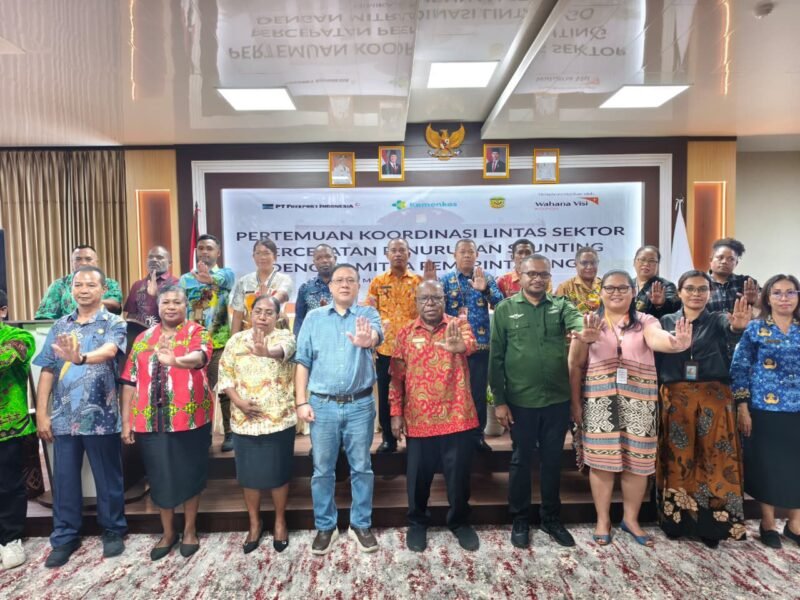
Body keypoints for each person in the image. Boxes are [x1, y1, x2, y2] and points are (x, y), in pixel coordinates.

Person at [568, 269, 691, 547]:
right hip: (599, 401)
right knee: (601, 463)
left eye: (622, 288)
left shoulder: (645, 320)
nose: (616, 293)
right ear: (601, 292)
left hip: (640, 401)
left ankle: (630, 519)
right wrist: (575, 402)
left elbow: (657, 338)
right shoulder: (589, 321)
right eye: (610, 288)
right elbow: (574, 365)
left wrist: (675, 344)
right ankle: (603, 519)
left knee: (637, 464)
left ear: (633, 292)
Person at [490, 255, 591, 549]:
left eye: (542, 274)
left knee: (551, 462)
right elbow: (496, 359)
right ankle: (520, 518)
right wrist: (499, 401)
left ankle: (551, 519)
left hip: (556, 400)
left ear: (549, 277)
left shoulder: (561, 306)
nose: (537, 279)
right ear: (519, 275)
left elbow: (577, 323)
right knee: (521, 461)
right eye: (531, 274)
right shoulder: (505, 309)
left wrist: (584, 332)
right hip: (520, 402)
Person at [34, 266, 128, 568]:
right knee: (64, 481)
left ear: (103, 290)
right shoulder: (61, 325)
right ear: (71, 290)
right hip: (63, 418)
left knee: (108, 478)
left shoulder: (114, 321)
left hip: (102, 416)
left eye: (90, 284)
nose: (83, 289)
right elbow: (47, 370)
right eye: (78, 284)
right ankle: (64, 536)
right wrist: (42, 413)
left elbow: (111, 351)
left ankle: (113, 529)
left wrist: (81, 358)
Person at [655, 270, 750, 548]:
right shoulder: (667, 321)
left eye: (702, 289)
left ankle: (713, 526)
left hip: (713, 398)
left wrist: (739, 328)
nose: (696, 294)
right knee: (678, 459)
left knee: (714, 460)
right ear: (680, 292)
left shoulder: (721, 319)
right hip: (676, 397)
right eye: (690, 289)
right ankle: (677, 520)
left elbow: (733, 334)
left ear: (709, 293)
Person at [294, 263, 383, 555]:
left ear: (358, 286)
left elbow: (376, 337)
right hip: (322, 405)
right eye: (339, 280)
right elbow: (302, 361)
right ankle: (325, 526)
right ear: (330, 287)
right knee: (322, 470)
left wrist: (367, 341)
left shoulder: (367, 314)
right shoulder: (314, 318)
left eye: (351, 280)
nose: (345, 285)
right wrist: (301, 402)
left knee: (362, 468)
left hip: (359, 405)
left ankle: (361, 524)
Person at [120, 286, 213, 561]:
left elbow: (200, 358)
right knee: (160, 478)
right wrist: (126, 422)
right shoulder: (143, 339)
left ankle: (190, 530)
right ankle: (168, 532)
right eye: (166, 303)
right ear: (158, 307)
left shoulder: (197, 333)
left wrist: (176, 360)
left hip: (190, 418)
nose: (171, 306)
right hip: (150, 420)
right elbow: (129, 382)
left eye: (177, 302)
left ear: (185, 306)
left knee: (190, 474)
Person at [390, 280, 480, 552]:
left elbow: (471, 344)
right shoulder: (405, 332)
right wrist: (396, 413)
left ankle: (460, 522)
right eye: (424, 299)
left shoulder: (458, 325)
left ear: (444, 300)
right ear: (416, 303)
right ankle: (417, 523)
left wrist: (460, 347)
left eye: (435, 298)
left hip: (457, 414)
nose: (430, 304)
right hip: (419, 419)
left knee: (458, 478)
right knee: (418, 478)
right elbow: (396, 378)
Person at [218, 295, 297, 554]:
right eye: (258, 312)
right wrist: (238, 402)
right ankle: (254, 523)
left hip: (277, 420)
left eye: (268, 313)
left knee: (278, 474)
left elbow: (284, 353)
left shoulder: (285, 338)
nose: (262, 316)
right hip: (244, 421)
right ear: (251, 314)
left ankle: (280, 522)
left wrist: (266, 352)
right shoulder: (235, 341)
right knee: (249, 476)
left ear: (277, 316)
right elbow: (225, 376)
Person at [731, 274, 800, 550]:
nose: (784, 298)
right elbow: (739, 368)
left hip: (798, 410)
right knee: (767, 467)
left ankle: (795, 524)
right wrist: (742, 406)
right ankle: (768, 522)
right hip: (764, 408)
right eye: (778, 293)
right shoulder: (755, 329)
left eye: (790, 293)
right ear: (767, 298)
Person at [440, 239, 504, 452]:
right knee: (453, 393)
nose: (467, 255)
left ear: (477, 255)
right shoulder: (446, 280)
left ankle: (477, 437)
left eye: (471, 252)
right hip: (454, 346)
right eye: (462, 252)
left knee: (477, 393)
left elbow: (500, 304)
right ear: (454, 255)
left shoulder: (485, 278)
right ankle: (453, 437)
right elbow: (437, 310)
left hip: (480, 346)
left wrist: (485, 290)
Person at [179, 234, 236, 452]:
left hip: (220, 342)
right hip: (193, 344)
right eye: (200, 248)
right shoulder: (185, 280)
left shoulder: (227, 274)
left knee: (224, 389)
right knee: (197, 391)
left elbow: (225, 282)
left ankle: (230, 433)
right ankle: (202, 434)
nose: (204, 252)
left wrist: (209, 279)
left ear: (218, 253)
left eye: (209, 248)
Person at [367, 238, 422, 453]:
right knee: (386, 395)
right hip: (386, 348)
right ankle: (388, 438)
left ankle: (415, 437)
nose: (398, 254)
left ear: (409, 254)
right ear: (388, 255)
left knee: (413, 394)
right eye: (394, 250)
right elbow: (370, 312)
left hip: (413, 350)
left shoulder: (418, 281)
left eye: (402, 250)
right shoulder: (378, 282)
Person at [0, 290, 36, 570]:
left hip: (8, 426)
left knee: (9, 485)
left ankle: (11, 539)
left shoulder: (19, 338)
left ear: (3, 311)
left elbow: (6, 358)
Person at [35, 244, 123, 319]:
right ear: (72, 262)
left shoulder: (110, 283)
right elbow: (45, 317)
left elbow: (115, 305)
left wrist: (88, 302)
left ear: (96, 261)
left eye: (88, 259)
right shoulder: (59, 285)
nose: (83, 263)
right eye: (78, 259)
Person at [231, 239, 294, 334]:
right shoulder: (244, 281)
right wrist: (233, 341)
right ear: (253, 256)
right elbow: (237, 315)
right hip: (249, 333)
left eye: (266, 253)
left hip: (277, 333)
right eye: (258, 253)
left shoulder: (284, 279)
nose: (262, 257)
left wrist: (267, 299)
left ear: (275, 257)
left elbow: (282, 295)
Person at [123, 245, 179, 350]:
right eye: (150, 257)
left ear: (170, 262)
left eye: (159, 257)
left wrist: (156, 295)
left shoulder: (177, 283)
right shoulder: (137, 285)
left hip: (166, 338)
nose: (154, 260)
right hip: (139, 339)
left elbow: (177, 315)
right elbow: (130, 315)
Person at [706, 238, 759, 313]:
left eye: (731, 259)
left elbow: (766, 305)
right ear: (711, 260)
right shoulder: (699, 282)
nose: (724, 262)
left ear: (736, 263)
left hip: (741, 324)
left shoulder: (746, 283)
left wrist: (753, 302)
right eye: (720, 258)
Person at [293, 244, 336, 337]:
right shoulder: (305, 288)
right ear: (314, 262)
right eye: (319, 258)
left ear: (335, 259)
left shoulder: (345, 286)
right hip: (312, 340)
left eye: (328, 257)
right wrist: (299, 346)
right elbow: (299, 320)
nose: (324, 261)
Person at [632, 245, 681, 318]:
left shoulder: (666, 286)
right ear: (634, 262)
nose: (646, 264)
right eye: (642, 259)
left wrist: (661, 304)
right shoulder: (627, 284)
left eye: (651, 261)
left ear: (658, 265)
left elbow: (673, 310)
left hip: (652, 327)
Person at [555, 246, 602, 314]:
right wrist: (584, 307)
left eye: (593, 263)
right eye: (584, 263)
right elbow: (557, 315)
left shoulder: (605, 285)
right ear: (576, 264)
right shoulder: (565, 287)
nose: (589, 267)